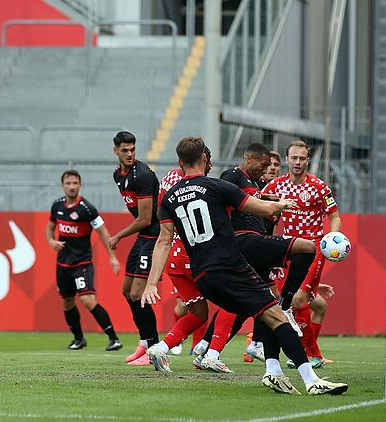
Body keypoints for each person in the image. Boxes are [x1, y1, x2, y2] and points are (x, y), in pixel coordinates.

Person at [142, 136, 347, 395]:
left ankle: (272, 371)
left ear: (180, 162)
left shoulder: (169, 197)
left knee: (266, 312)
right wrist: (279, 204)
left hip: (203, 275)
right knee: (278, 315)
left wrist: (151, 282)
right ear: (205, 159)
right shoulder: (216, 186)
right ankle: (311, 380)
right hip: (229, 266)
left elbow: (163, 241)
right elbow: (257, 207)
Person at [192, 143, 317, 372]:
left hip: (256, 246)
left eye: (272, 166)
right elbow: (231, 200)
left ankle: (261, 363)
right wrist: (272, 202)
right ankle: (284, 311)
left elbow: (260, 212)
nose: (268, 169)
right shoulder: (231, 176)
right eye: (265, 164)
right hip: (242, 243)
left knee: (256, 306)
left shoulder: (258, 186)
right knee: (305, 250)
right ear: (249, 159)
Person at [262, 140, 340, 368]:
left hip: (314, 247)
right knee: (315, 305)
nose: (297, 162)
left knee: (296, 299)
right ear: (287, 160)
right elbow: (257, 204)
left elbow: (334, 215)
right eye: (293, 158)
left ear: (307, 160)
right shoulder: (276, 186)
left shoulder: (318, 187)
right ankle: (309, 353)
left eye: (302, 158)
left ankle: (312, 355)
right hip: (288, 249)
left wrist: (332, 237)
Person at [144, 147, 214, 371]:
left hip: (174, 255)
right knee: (233, 301)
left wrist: (152, 282)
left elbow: (163, 223)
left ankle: (163, 348)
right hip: (197, 253)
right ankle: (209, 352)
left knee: (198, 311)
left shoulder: (168, 179)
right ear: (203, 159)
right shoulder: (202, 183)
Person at [45, 170, 122, 351]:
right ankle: (78, 339)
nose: (72, 187)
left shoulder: (87, 209)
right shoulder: (57, 206)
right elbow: (49, 227)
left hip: (82, 263)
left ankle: (113, 338)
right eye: (68, 183)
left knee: (88, 299)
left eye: (75, 183)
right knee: (67, 302)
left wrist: (112, 257)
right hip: (62, 263)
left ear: (80, 185)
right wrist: (51, 241)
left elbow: (102, 232)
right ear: (62, 185)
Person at [110, 131, 160, 365]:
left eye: (133, 150)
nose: (129, 154)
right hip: (144, 236)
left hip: (156, 235)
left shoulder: (143, 176)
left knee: (138, 294)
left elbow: (145, 218)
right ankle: (145, 341)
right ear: (116, 151)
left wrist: (118, 236)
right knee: (126, 290)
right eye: (125, 150)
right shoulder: (118, 175)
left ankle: (154, 350)